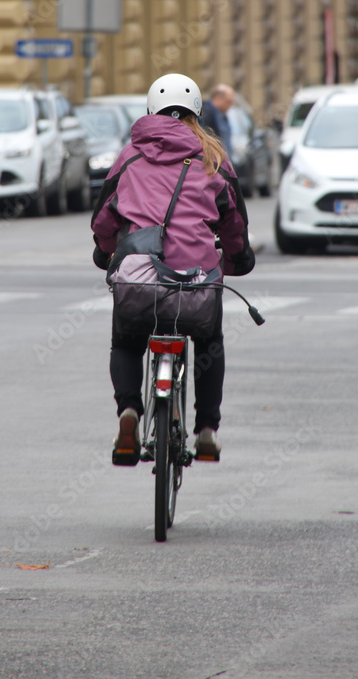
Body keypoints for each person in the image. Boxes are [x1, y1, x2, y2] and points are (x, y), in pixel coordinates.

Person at [91, 73, 255, 464]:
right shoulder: (213, 157)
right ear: (198, 111)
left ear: (151, 110)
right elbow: (233, 222)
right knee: (209, 341)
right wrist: (236, 259)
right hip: (195, 285)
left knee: (127, 341)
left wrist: (106, 252)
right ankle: (207, 431)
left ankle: (129, 412)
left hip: (139, 281)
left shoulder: (129, 155)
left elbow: (104, 218)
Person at [201, 83, 235, 159]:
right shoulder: (206, 114)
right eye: (229, 101)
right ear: (217, 98)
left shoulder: (222, 115)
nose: (231, 105)